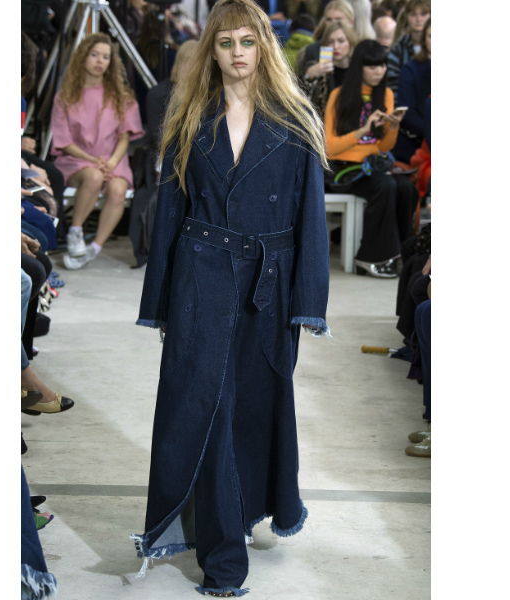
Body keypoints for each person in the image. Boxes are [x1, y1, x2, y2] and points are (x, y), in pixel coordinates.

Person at [134, 1, 330, 595]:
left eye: (247, 41)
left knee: (253, 408)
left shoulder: (295, 119)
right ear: (211, 51)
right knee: (209, 409)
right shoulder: (189, 117)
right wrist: (160, 300)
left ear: (263, 47)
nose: (237, 53)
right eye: (226, 43)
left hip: (267, 288)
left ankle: (239, 514)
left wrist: (309, 301)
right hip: (201, 276)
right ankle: (224, 561)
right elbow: (169, 213)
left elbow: (310, 216)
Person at [50, 32, 144, 270]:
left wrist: (111, 163)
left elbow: (124, 138)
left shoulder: (121, 97)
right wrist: (93, 160)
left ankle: (94, 248)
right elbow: (65, 141)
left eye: (106, 56)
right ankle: (75, 231)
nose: (100, 60)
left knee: (118, 190)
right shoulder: (64, 97)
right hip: (77, 160)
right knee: (93, 176)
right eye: (94, 54)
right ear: (83, 56)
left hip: (113, 160)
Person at [324, 39, 417, 277]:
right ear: (360, 67)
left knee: (406, 187)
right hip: (342, 169)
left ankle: (403, 256)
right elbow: (329, 147)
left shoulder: (385, 94)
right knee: (384, 185)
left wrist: (393, 127)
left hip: (372, 167)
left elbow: (384, 146)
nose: (379, 72)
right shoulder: (339, 95)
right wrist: (363, 131)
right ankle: (370, 257)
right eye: (372, 66)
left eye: (383, 65)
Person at [297, 20, 357, 118]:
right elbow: (301, 101)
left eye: (341, 41)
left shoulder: (358, 68)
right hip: (324, 123)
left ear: (350, 42)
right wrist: (308, 76)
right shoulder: (318, 69)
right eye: (330, 42)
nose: (336, 46)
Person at [394, 17, 430, 163]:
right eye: (431, 36)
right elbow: (408, 113)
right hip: (416, 141)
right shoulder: (410, 69)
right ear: (424, 40)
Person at [385, 0, 429, 94]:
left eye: (423, 14)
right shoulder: (398, 49)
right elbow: (392, 83)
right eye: (413, 15)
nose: (418, 19)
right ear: (407, 17)